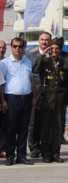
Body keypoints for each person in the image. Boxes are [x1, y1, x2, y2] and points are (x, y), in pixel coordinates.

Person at [0, 37, 36, 166]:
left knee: (23, 128)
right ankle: (10, 155)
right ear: (11, 47)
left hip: (26, 98)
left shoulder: (27, 62)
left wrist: (34, 96)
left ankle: (22, 155)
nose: (17, 49)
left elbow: (31, 79)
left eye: (20, 46)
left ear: (24, 47)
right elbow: (1, 83)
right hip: (11, 99)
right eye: (15, 46)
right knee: (10, 128)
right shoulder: (5, 63)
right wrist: (3, 100)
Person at [32, 37, 68, 163]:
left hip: (59, 97)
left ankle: (55, 153)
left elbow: (67, 82)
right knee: (46, 128)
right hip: (47, 98)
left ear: (60, 50)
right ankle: (45, 153)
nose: (54, 51)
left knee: (57, 128)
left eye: (57, 49)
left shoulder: (63, 62)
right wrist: (42, 54)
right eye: (52, 48)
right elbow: (35, 69)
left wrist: (66, 100)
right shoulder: (45, 61)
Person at [26, 32, 51, 159]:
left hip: (50, 94)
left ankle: (46, 147)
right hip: (35, 92)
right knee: (33, 123)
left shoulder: (54, 55)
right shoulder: (30, 56)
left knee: (47, 123)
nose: (44, 42)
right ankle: (34, 147)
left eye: (47, 40)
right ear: (39, 40)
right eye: (42, 39)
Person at [0, 40, 7, 159]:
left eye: (3, 48)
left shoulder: (6, 62)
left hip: (6, 98)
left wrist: (2, 101)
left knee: (3, 126)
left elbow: (1, 84)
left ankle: (2, 149)